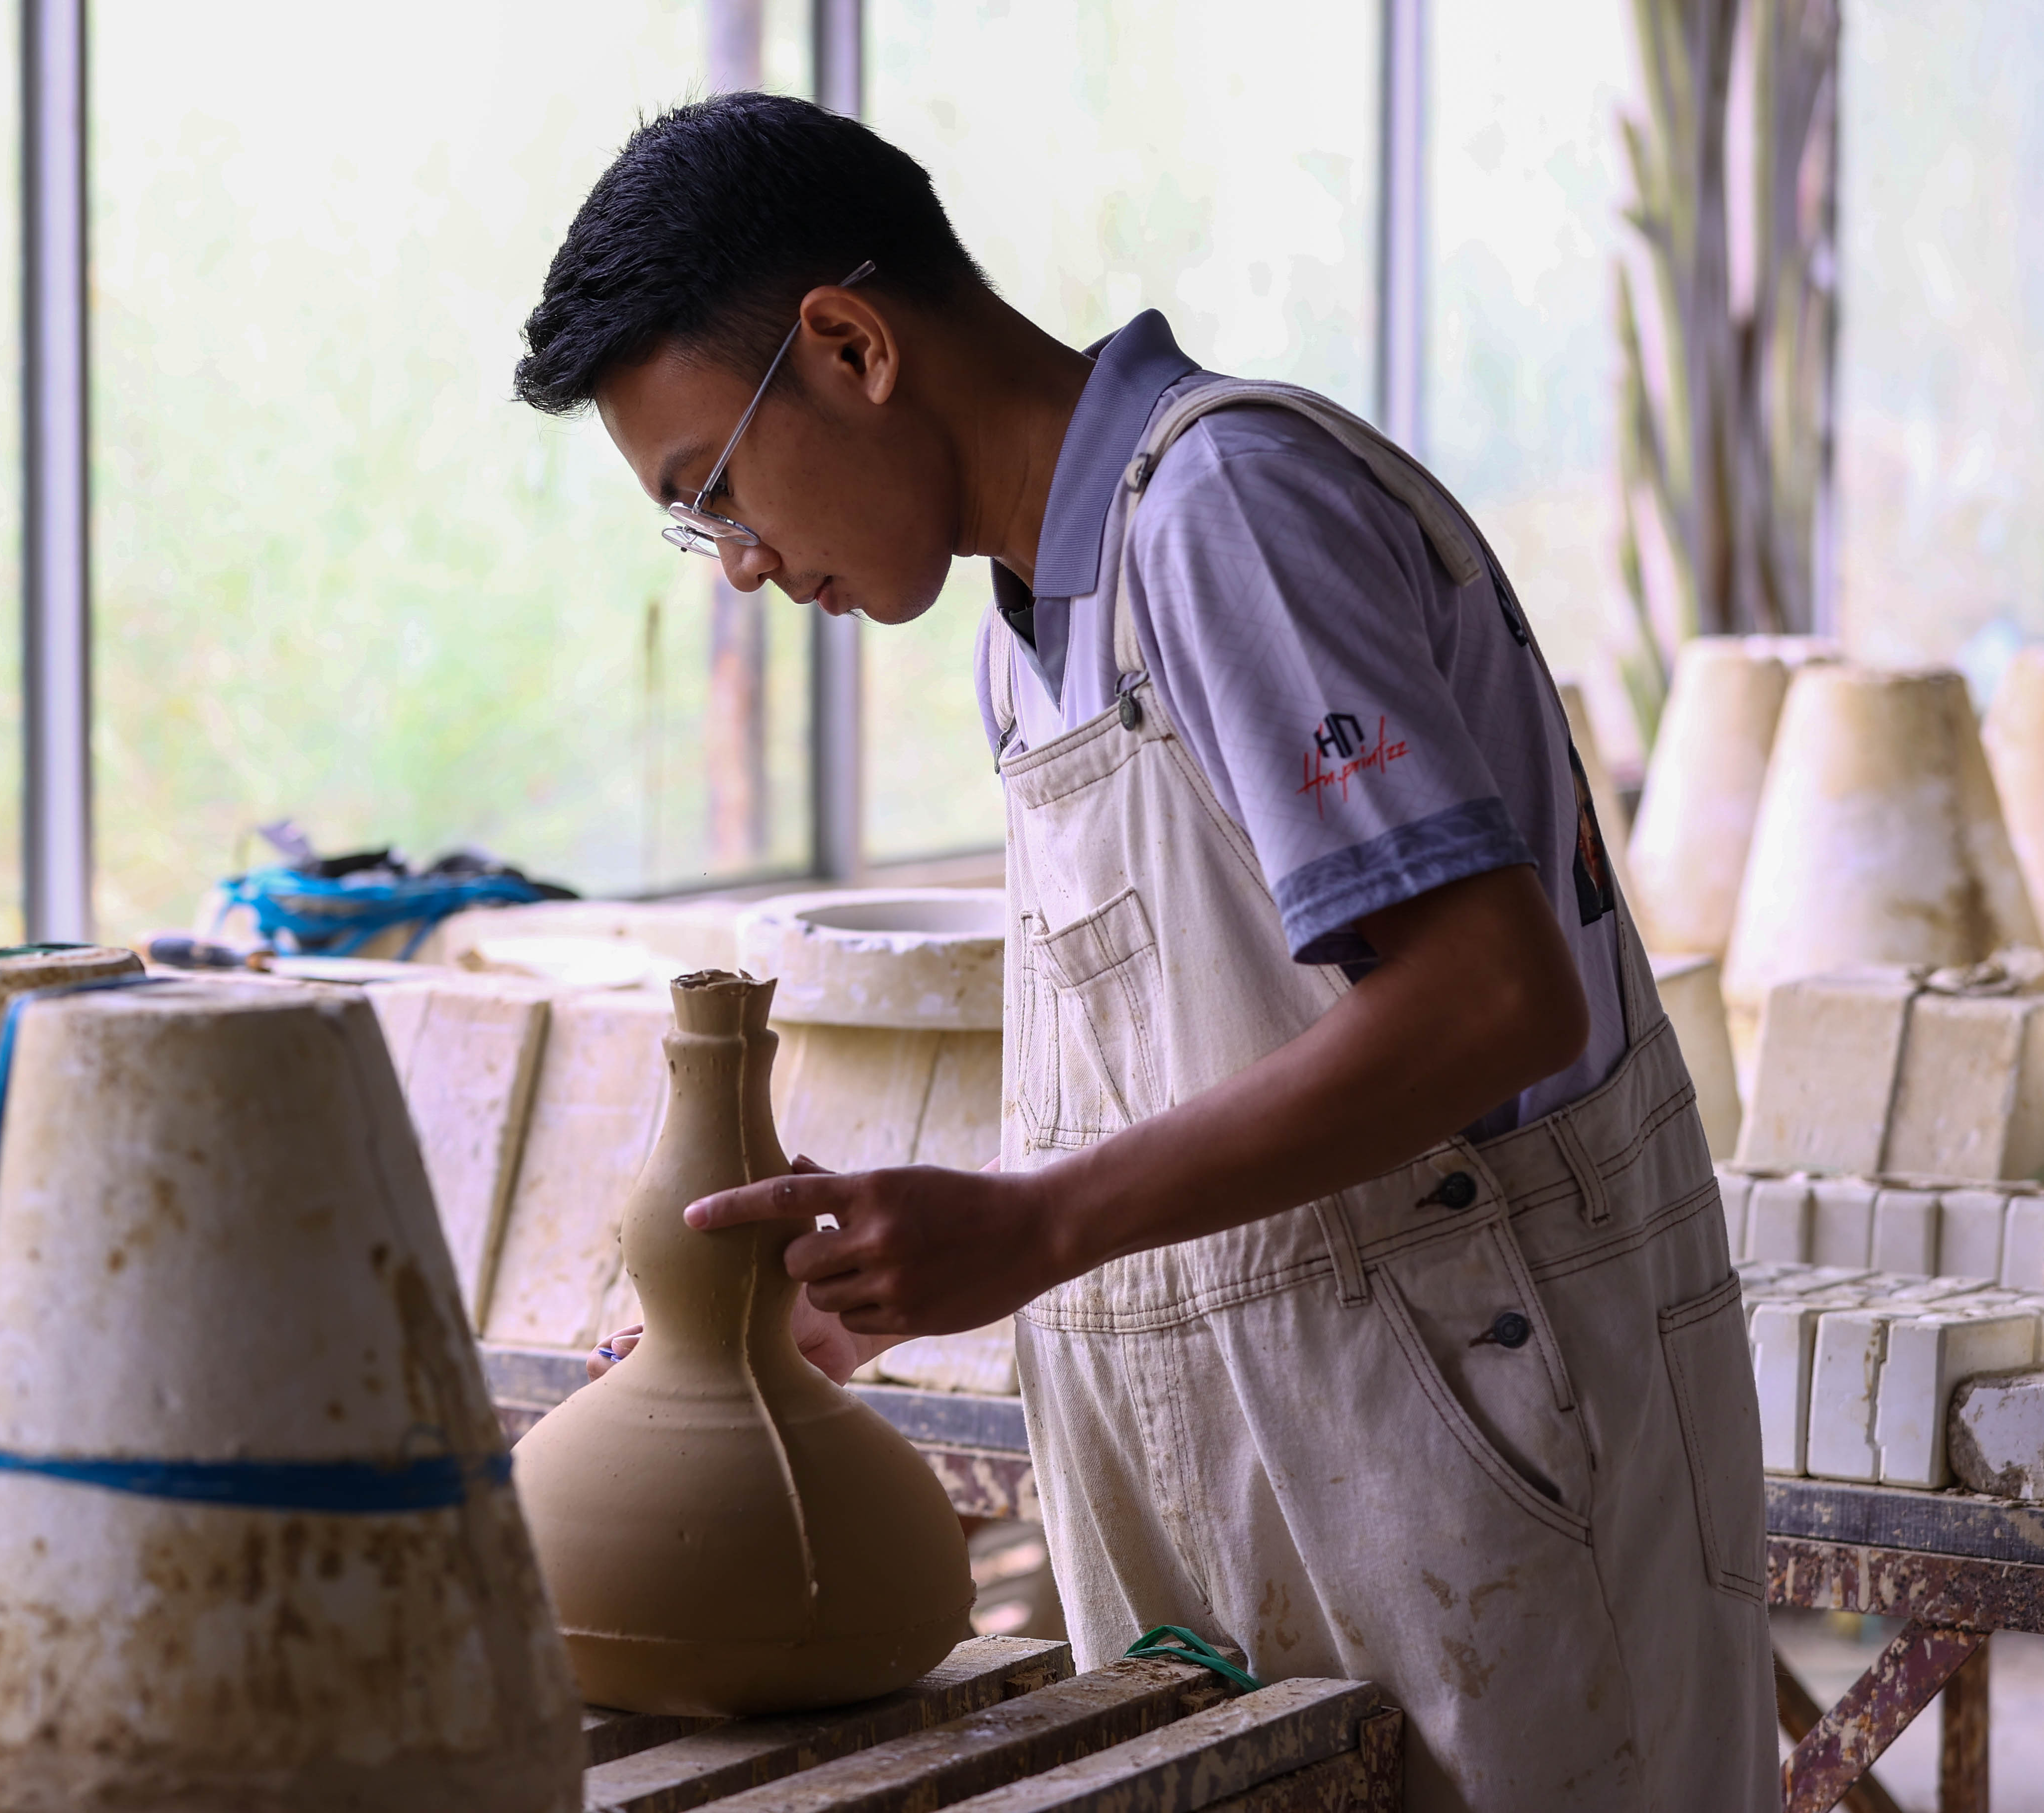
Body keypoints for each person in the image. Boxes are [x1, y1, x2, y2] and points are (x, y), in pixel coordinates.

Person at [522, 93, 1775, 1812]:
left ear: (848, 346)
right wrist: (883, 1275)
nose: (736, 564)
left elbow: (1490, 996)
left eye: (710, 491)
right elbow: (1223, 1050)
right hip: (1264, 1467)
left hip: (1480, 1453)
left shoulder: (1225, 512)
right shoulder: (1029, 632)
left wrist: (1035, 1227)